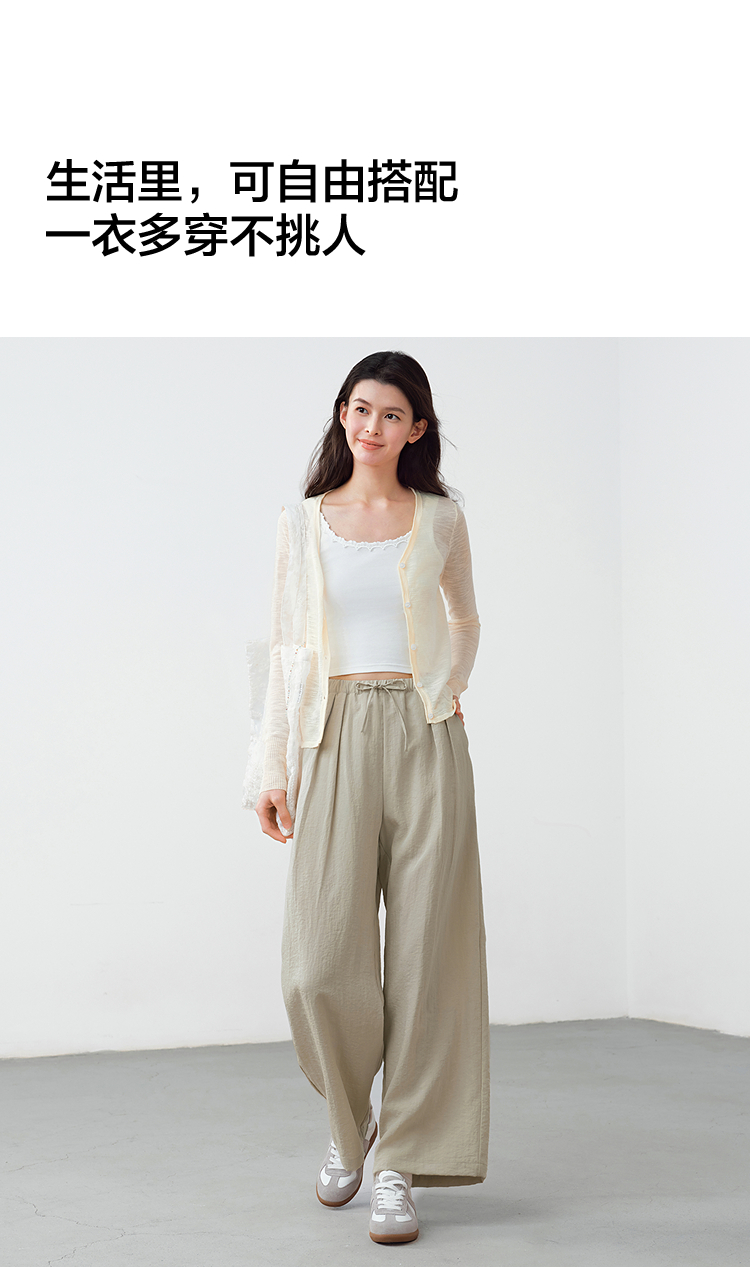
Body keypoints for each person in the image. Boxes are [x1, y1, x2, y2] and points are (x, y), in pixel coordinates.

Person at [246, 350, 489, 1245]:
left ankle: (399, 1164)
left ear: (416, 427)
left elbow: (463, 617)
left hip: (426, 736)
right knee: (318, 963)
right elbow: (284, 648)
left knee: (429, 957)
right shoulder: (304, 521)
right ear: (342, 415)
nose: (370, 426)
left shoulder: (441, 517)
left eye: (390, 413)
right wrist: (271, 767)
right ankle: (352, 1128)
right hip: (333, 732)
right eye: (358, 408)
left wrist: (446, 684)